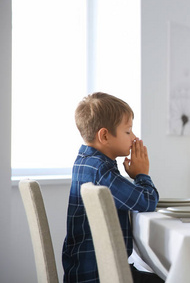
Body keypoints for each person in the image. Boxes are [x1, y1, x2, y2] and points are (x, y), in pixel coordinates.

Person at [62, 92, 164, 282]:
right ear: (105, 135)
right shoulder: (101, 170)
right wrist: (142, 174)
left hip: (84, 271)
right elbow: (147, 202)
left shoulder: (85, 162)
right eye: (128, 131)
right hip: (99, 275)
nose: (134, 137)